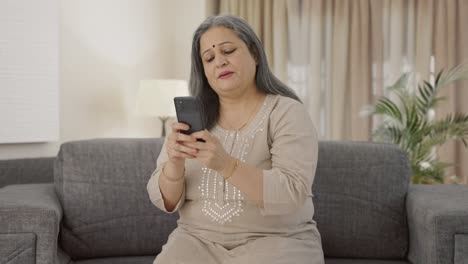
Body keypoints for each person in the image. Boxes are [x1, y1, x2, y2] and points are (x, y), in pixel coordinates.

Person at [147, 15, 324, 264]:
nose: (220, 61)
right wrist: (174, 165)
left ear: (254, 53)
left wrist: (227, 165)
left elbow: (291, 192)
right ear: (204, 71)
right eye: (209, 58)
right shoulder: (193, 119)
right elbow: (165, 200)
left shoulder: (286, 112)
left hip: (278, 241)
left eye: (228, 50)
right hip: (196, 241)